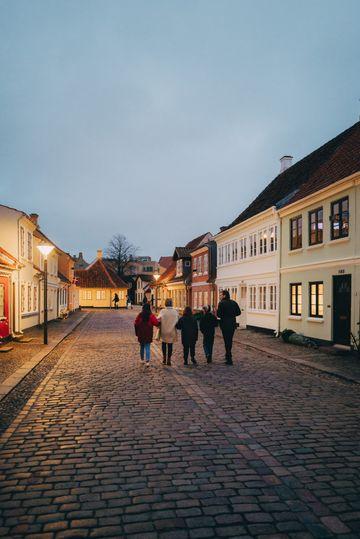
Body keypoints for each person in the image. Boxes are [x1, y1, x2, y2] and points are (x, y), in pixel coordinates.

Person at [217, 290, 241, 365]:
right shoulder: (234, 302)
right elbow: (239, 312)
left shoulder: (221, 303)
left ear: (224, 296)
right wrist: (232, 315)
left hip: (224, 324)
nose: (219, 296)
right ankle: (228, 355)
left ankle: (229, 357)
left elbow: (219, 315)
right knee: (230, 340)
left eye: (220, 295)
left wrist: (225, 316)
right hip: (232, 324)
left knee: (226, 340)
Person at [158, 298, 178, 366]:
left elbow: (158, 320)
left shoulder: (162, 311)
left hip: (164, 330)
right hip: (171, 331)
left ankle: (164, 358)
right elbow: (177, 321)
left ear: (165, 303)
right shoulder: (175, 311)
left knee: (163, 344)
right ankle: (169, 359)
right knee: (170, 345)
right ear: (171, 303)